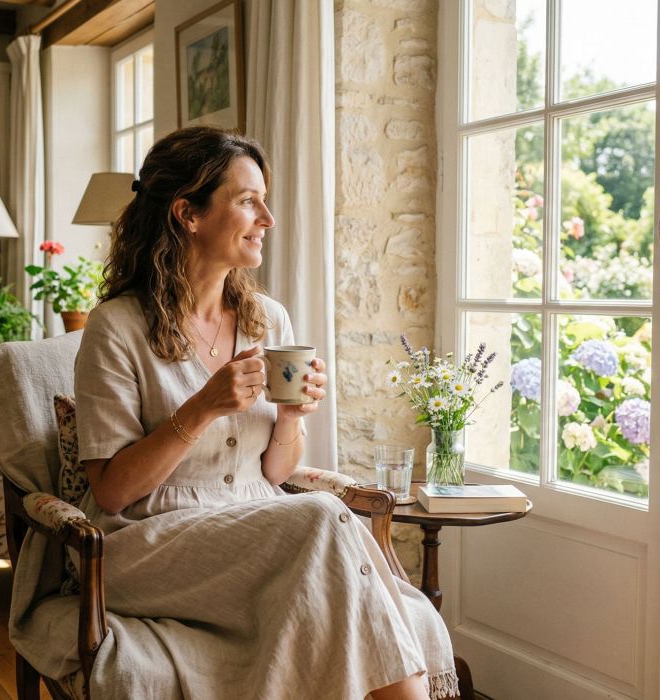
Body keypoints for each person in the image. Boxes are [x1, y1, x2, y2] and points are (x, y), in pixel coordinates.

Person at [73, 126, 458, 700]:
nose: (267, 219)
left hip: (254, 521)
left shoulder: (267, 320)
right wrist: (202, 407)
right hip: (148, 537)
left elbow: (275, 474)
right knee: (325, 516)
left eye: (265, 200)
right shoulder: (117, 327)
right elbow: (110, 491)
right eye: (248, 200)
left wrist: (293, 415)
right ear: (188, 213)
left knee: (322, 531)